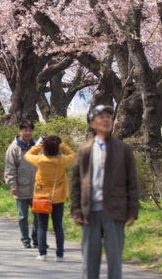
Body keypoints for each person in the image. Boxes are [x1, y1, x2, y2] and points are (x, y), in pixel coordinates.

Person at [71, 105, 138, 279]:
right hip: (90, 210)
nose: (107, 120)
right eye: (101, 117)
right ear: (92, 123)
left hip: (115, 210)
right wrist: (76, 209)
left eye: (109, 116)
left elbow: (132, 182)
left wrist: (132, 211)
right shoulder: (84, 150)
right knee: (89, 261)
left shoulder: (124, 149)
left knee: (114, 260)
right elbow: (76, 182)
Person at [24, 135, 75, 262]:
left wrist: (38, 146)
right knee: (58, 226)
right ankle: (60, 254)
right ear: (57, 148)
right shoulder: (62, 161)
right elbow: (73, 154)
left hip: (41, 198)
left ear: (44, 147)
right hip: (57, 197)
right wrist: (61, 145)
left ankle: (42, 253)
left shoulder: (40, 160)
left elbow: (27, 155)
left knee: (42, 227)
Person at [4, 120, 39, 249]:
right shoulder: (14, 148)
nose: (28, 133)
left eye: (30, 130)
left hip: (36, 188)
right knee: (22, 216)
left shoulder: (36, 147)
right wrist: (12, 184)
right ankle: (25, 239)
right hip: (21, 187)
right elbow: (10, 168)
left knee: (38, 215)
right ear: (20, 131)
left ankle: (36, 239)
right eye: (25, 130)